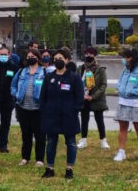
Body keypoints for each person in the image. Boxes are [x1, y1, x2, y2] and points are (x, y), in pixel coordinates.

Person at [40, 49, 83, 180]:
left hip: (68, 116)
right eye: (56, 58)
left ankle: (69, 169)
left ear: (67, 60)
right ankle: (50, 168)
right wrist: (44, 110)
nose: (58, 60)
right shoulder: (49, 77)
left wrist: (74, 110)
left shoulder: (74, 77)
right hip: (51, 115)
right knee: (51, 142)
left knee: (70, 143)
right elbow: (43, 96)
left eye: (61, 58)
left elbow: (79, 97)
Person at [114, 47, 138, 164]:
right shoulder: (125, 69)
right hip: (124, 101)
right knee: (122, 127)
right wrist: (120, 89)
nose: (124, 59)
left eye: (126, 57)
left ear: (132, 57)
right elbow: (120, 82)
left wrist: (135, 91)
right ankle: (121, 152)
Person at [10, 49, 46, 166]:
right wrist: (16, 94)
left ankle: (39, 159)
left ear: (38, 58)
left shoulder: (43, 72)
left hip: (38, 109)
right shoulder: (22, 71)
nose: (30, 58)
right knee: (26, 134)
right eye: (28, 56)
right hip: (23, 107)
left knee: (39, 135)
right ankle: (25, 157)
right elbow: (13, 85)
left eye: (33, 56)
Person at [77, 47, 109, 150]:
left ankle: (103, 140)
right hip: (84, 98)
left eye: (91, 54)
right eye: (86, 54)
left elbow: (103, 85)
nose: (88, 56)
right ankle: (83, 140)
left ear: (94, 56)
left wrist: (93, 96)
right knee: (84, 120)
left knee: (99, 120)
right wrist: (81, 95)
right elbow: (77, 83)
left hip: (96, 99)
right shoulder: (80, 68)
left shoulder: (100, 69)